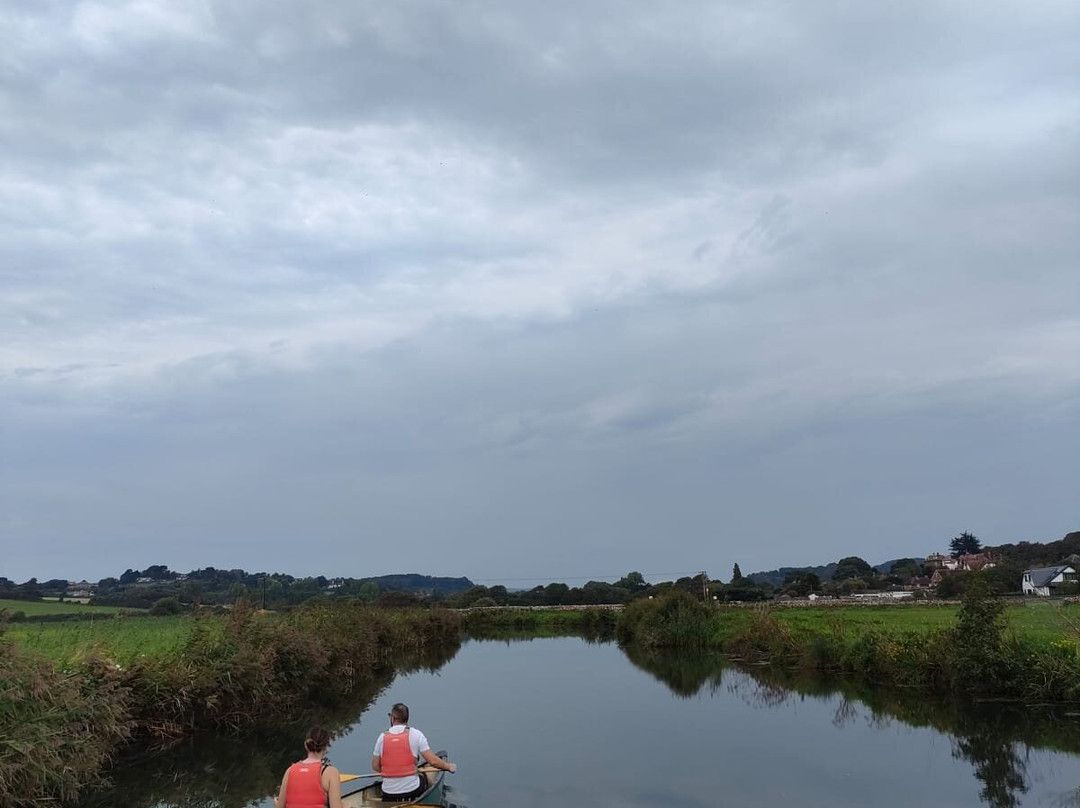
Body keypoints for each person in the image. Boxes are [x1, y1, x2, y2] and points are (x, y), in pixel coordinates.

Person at [372, 702, 457, 802]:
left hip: (388, 793)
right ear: (407, 718)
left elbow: (375, 766)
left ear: (393, 718)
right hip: (413, 790)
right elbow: (433, 761)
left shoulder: (382, 737)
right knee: (425, 778)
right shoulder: (416, 734)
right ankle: (428, 797)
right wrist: (448, 767)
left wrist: (393, 770)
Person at [275, 726, 343, 808]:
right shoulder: (331, 772)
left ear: (306, 745)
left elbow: (280, 806)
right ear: (325, 747)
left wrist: (276, 803)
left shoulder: (290, 771)